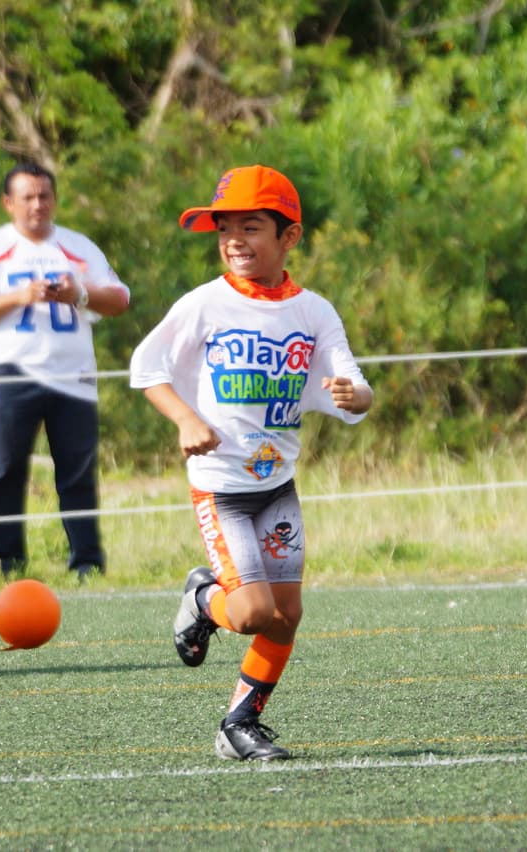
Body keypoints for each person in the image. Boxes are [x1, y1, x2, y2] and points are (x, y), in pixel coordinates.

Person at [129, 165, 372, 760]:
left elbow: (354, 382)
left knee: (285, 616)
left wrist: (355, 396)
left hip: (278, 486)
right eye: (224, 227)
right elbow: (145, 367)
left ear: (289, 237)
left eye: (252, 226)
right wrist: (186, 420)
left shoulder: (313, 311)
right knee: (253, 612)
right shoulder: (205, 303)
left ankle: (239, 723)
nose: (234, 238)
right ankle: (202, 599)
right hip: (221, 489)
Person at [0, 162, 130, 582]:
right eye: (27, 197)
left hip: (74, 374)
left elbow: (120, 299)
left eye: (44, 196)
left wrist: (78, 293)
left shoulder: (78, 247)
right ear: (8, 203)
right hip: (14, 372)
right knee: (8, 468)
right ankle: (6, 560)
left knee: (77, 473)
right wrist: (21, 295)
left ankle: (87, 562)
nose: (37, 205)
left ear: (55, 199)